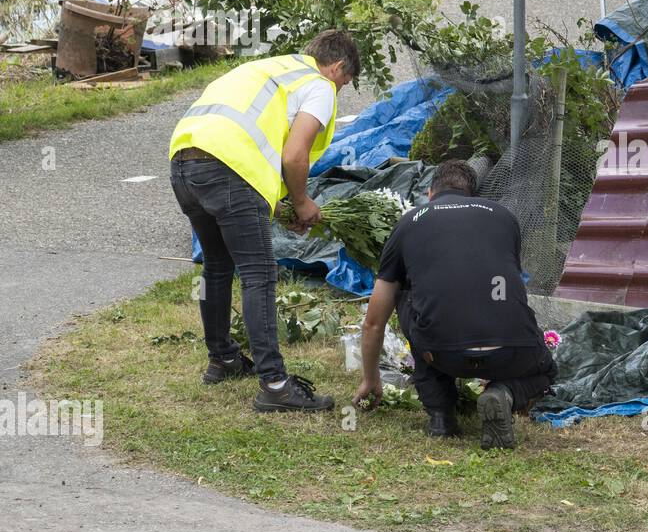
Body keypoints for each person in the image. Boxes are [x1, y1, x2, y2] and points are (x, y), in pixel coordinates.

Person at [168, 29, 360, 413]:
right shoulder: (319, 84)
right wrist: (303, 203)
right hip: (229, 169)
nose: (339, 92)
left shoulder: (272, 69)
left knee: (218, 265)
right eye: (346, 83)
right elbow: (294, 155)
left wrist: (279, 202)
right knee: (259, 272)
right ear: (338, 67)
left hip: (183, 164)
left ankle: (222, 358)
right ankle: (274, 384)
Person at [352, 159, 555, 449]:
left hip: (442, 352)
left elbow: (373, 323)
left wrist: (370, 379)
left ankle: (441, 414)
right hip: (513, 350)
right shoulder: (504, 217)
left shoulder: (410, 221)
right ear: (473, 195)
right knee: (547, 370)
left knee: (402, 292)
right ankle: (504, 392)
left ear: (430, 194)